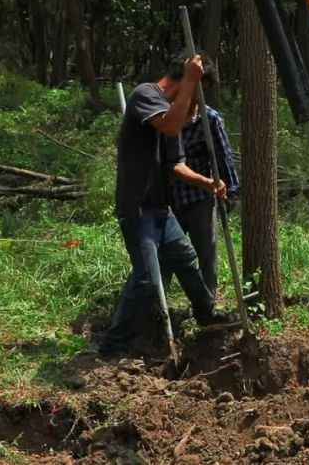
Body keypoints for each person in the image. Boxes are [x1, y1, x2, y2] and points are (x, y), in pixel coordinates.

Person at [99, 50, 236, 362]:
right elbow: (171, 126)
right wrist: (191, 80)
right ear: (181, 84)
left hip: (162, 207)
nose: (196, 111)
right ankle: (112, 345)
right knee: (147, 279)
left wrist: (207, 182)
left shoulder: (175, 115)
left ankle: (206, 315)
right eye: (196, 103)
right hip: (137, 208)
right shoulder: (146, 95)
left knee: (186, 258)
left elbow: (176, 164)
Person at [165, 105, 240, 302]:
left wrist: (231, 190)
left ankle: (207, 306)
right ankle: (158, 307)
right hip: (171, 199)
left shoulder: (209, 119)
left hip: (200, 199)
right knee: (166, 255)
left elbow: (223, 156)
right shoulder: (168, 115)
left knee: (206, 256)